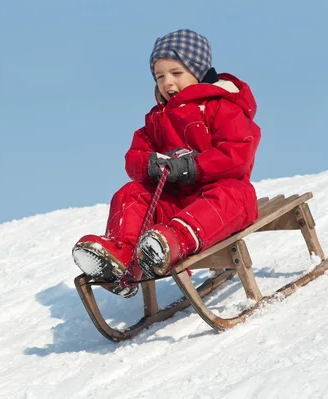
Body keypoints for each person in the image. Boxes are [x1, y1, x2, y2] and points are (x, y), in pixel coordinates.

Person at [72, 29, 261, 298]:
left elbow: (238, 153)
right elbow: (135, 154)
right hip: (176, 203)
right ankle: (122, 256)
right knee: (131, 192)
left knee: (234, 194)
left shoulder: (220, 105)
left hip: (220, 202)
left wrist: (193, 166)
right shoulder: (158, 117)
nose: (167, 82)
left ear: (199, 71)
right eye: (160, 76)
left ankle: (170, 244)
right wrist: (148, 164)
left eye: (176, 73)